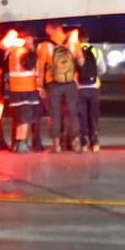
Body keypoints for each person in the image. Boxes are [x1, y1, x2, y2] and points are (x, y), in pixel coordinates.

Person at [41, 24, 84, 153]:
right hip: (71, 82)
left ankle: (56, 144)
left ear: (50, 28)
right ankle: (76, 143)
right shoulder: (73, 42)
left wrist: (40, 86)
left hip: (53, 83)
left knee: (55, 114)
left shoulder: (45, 46)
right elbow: (81, 62)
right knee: (72, 112)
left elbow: (41, 67)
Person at [0, 36, 40, 153]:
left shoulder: (12, 52)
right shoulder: (23, 52)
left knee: (19, 119)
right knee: (25, 119)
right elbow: (29, 65)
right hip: (26, 89)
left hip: (15, 90)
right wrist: (32, 50)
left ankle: (17, 143)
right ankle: (22, 144)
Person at [76, 34, 103, 153]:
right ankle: (95, 143)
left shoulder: (75, 51)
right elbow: (103, 68)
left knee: (82, 117)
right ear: (88, 38)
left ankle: (84, 144)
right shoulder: (96, 51)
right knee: (94, 116)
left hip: (79, 88)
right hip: (94, 87)